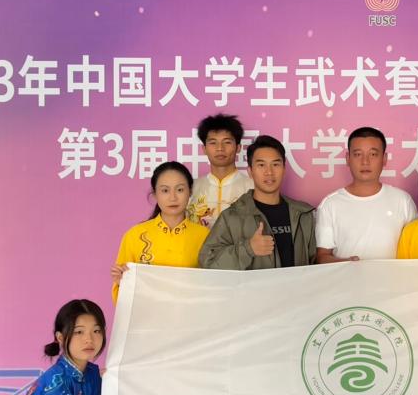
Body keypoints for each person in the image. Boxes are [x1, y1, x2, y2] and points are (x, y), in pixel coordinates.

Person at [199, 135, 316, 269]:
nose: (269, 172)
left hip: (296, 284)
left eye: (275, 164)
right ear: (250, 171)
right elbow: (208, 262)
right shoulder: (232, 217)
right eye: (261, 165)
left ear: (284, 169)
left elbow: (316, 265)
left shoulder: (303, 214)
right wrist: (248, 249)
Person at [315, 126, 418, 263]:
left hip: (394, 277)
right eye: (358, 154)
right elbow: (322, 256)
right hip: (348, 277)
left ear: (384, 159)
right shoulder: (330, 204)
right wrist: (347, 263)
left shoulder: (403, 201)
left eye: (373, 154)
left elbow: (414, 251)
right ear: (348, 158)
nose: (365, 162)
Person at [111, 161, 209, 303]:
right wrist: (121, 281)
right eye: (165, 190)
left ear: (190, 192)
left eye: (180, 190)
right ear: (155, 194)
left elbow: (211, 288)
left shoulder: (204, 236)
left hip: (189, 314)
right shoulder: (135, 235)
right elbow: (120, 298)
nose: (173, 197)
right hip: (147, 315)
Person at [187, 113, 254, 227]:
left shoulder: (252, 188)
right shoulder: (191, 188)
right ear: (204, 149)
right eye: (213, 143)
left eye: (227, 142)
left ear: (238, 147)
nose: (220, 148)